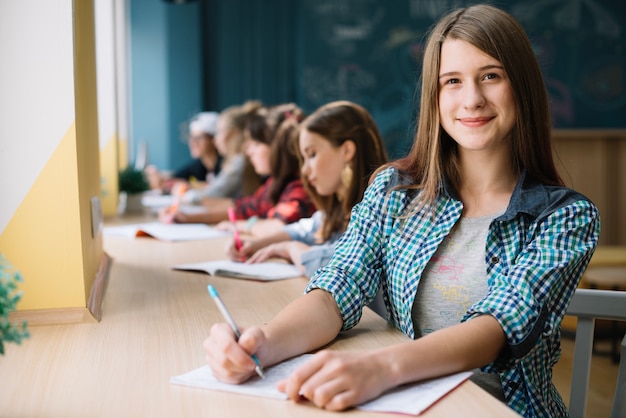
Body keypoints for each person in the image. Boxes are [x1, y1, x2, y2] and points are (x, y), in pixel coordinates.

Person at [203, 4, 600, 417]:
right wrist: (263, 344)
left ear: (522, 86)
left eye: (491, 76)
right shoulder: (395, 191)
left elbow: (496, 327)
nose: (472, 99)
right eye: (452, 81)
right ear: (434, 95)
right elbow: (337, 288)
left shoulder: (566, 217)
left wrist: (379, 368)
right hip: (406, 403)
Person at [227, 100, 388, 279]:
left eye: (312, 155)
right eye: (303, 158)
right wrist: (254, 244)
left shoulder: (381, 209)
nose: (304, 170)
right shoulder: (335, 208)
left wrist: (290, 248)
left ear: (347, 151)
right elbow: (303, 230)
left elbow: (340, 264)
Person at [161, 103, 316, 230]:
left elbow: (280, 225)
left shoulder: (299, 186)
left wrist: (243, 225)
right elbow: (243, 206)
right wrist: (188, 217)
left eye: (255, 144)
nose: (249, 151)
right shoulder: (275, 183)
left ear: (279, 148)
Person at [182, 101, 263, 202]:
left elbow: (213, 193)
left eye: (219, 132)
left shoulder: (239, 162)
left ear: (233, 134)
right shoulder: (234, 161)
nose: (215, 139)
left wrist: (186, 193)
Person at [145, 111, 222, 193]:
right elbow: (176, 177)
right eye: (191, 137)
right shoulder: (199, 165)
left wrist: (191, 186)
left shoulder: (227, 164)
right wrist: (158, 177)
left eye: (199, 138)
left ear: (214, 140)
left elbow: (221, 187)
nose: (193, 142)